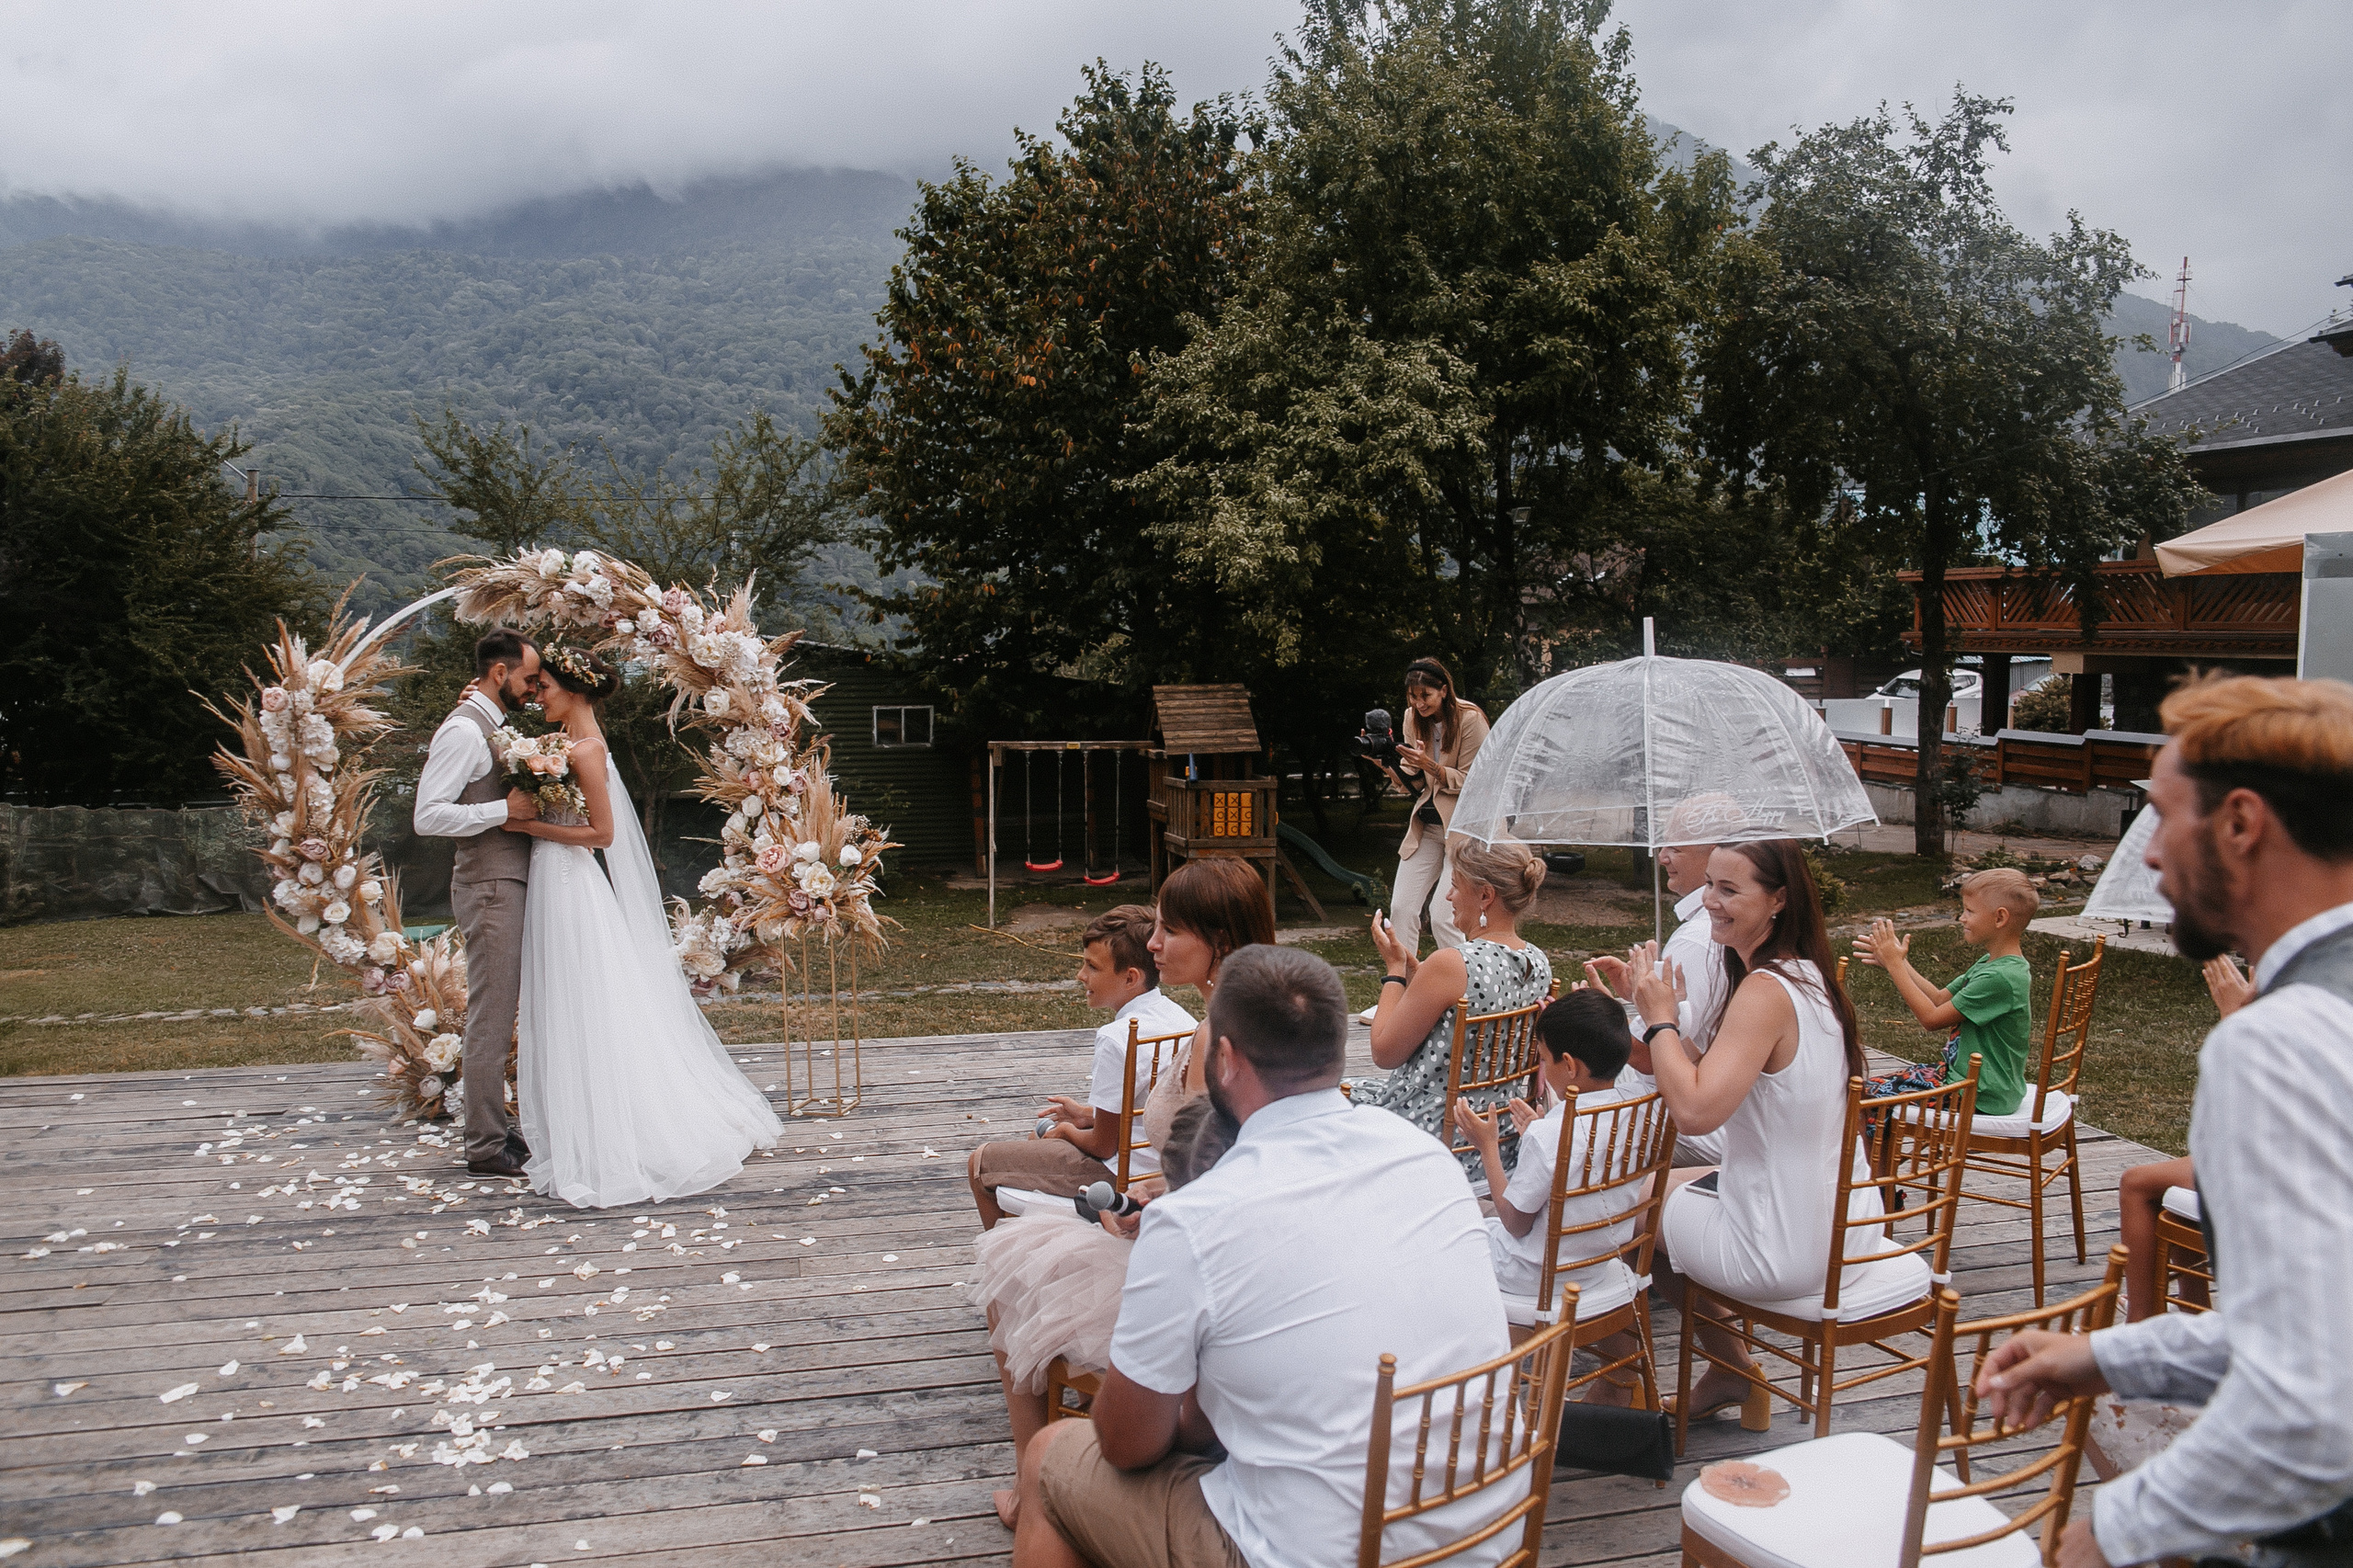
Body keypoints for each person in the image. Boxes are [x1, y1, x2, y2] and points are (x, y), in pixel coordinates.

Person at [1977, 674, 2353, 1568]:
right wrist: (2106, 1356)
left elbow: (2309, 1402)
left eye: (2160, 816)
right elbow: (2321, 1324)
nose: (2146, 854)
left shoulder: (2279, 1040)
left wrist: (2107, 1532)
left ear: (2240, 823)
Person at [1009, 945, 1517, 1568]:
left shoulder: (1193, 1220)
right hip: (1487, 1532)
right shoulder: (1424, 1156)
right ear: (1335, 1050)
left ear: (1224, 1059)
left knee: (1050, 1457)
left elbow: (1125, 1444)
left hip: (1321, 1553)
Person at [970, 858, 1271, 1528]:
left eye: (1168, 930)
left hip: (1196, 1259)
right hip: (1199, 1225)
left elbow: (1219, 1177)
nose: (1155, 945)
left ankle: (1033, 1488)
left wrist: (1147, 1215)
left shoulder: (1217, 1034)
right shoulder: (1271, 1011)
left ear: (1216, 937)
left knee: (1006, 1272)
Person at [1627, 839, 1919, 1423]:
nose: (1709, 900)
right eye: (1709, 883)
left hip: (1780, 1244)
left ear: (1779, 899)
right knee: (1659, 1186)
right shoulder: (1805, 976)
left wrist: (1659, 1017)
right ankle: (1729, 1373)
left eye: (1730, 890)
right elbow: (1700, 1072)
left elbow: (1694, 1111)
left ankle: (1638, 1382)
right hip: (1845, 1228)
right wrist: (1641, 1014)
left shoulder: (1763, 992)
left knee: (1622, 1207)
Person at [498, 645, 782, 1208]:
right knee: (563, 1000)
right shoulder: (556, 747)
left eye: (546, 687)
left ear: (574, 691)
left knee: (586, 1000)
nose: (538, 695)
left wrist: (529, 829)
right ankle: (574, 1123)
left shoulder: (587, 750)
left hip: (573, 885)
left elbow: (601, 835)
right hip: (553, 883)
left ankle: (618, 1134)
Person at [1453, 990, 1649, 1402]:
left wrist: (1487, 1146)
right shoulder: (1641, 1108)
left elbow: (1514, 1221)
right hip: (1598, 1264)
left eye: (1543, 1059)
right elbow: (1581, 1166)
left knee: (1451, 1226)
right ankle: (1625, 1380)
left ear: (1569, 1066)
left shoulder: (1552, 1135)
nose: (1542, 1066)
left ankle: (1467, 1386)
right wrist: (1539, 1132)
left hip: (1536, 1276)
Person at [967, 905, 1198, 1229]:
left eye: (1092, 966)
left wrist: (1065, 1131)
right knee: (1040, 1135)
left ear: (1130, 977)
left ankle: (1002, 1262)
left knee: (981, 1162)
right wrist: (1089, 1114)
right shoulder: (1180, 1018)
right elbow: (1150, 1102)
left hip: (1120, 1171)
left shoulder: (1117, 1037)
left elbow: (1103, 1145)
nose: (1081, 975)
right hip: (1162, 1164)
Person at [411, 628, 544, 1178]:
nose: (535, 689)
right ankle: (486, 1145)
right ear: (500, 673)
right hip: (488, 887)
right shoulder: (464, 732)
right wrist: (502, 812)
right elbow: (428, 815)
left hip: (504, 883)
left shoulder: (488, 724)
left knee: (501, 1012)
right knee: (490, 1017)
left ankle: (498, 1127)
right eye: (529, 678)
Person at [1358, 837, 1553, 1180]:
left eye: (1454, 886)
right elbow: (1481, 1004)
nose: (1448, 897)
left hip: (1432, 1129)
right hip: (1497, 1130)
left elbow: (1383, 1053)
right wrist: (1415, 972)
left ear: (1485, 896)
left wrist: (1393, 971)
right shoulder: (1538, 962)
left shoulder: (1452, 964)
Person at [1588, 792, 1745, 1165]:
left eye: (1673, 846)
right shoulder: (1718, 931)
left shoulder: (1700, 938)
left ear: (1715, 854)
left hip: (1698, 1123)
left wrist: (1605, 1018)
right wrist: (1636, 994)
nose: (1661, 857)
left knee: (1568, 1094)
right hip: (1715, 1104)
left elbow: (1654, 1060)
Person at [1854, 867, 2040, 1118]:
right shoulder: (1993, 963)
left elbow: (1931, 1019)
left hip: (1976, 1093)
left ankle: (1870, 1157)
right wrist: (1896, 962)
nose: (1961, 918)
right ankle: (1877, 1156)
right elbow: (1939, 998)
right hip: (1964, 1080)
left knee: (1863, 1101)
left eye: (1969, 911)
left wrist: (1896, 966)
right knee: (1865, 1094)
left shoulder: (2001, 977)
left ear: (1999, 918)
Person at [1370, 657, 1491, 959]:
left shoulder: (1470, 719)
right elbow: (1413, 781)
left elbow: (1476, 782)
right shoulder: (1412, 718)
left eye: (1426, 695)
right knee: (1401, 909)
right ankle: (1405, 985)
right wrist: (1385, 763)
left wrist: (1431, 767)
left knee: (1443, 916)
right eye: (1413, 695)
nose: (1419, 703)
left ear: (1444, 690)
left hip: (1465, 828)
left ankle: (1466, 988)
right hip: (1429, 824)